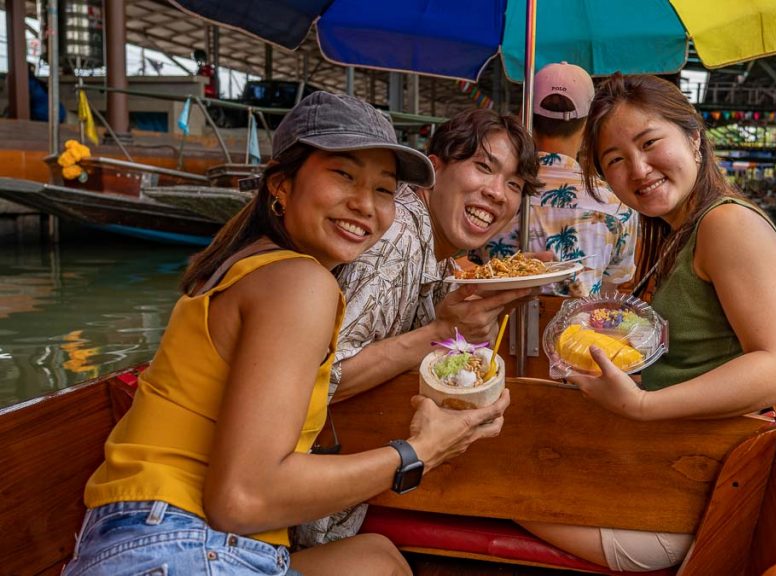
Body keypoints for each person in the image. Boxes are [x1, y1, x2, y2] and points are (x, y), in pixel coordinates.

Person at [61, 92, 510, 576]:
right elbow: (242, 497)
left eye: (384, 190)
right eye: (343, 174)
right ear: (281, 184)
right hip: (178, 546)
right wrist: (420, 451)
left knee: (376, 558)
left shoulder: (260, 267)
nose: (365, 204)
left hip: (147, 536)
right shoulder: (300, 283)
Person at [517, 74, 776, 572]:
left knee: (488, 477)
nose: (638, 169)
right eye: (615, 160)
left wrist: (643, 406)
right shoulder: (672, 232)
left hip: (675, 502)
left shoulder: (728, 225)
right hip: (658, 464)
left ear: (693, 138)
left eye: (650, 143)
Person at [329, 108, 542, 402]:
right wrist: (443, 331)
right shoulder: (397, 238)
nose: (498, 193)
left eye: (514, 184)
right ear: (434, 170)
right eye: (483, 166)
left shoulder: (440, 252)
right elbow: (321, 381)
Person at [476, 62, 637, 297]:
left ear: (524, 119)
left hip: (492, 331)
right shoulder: (619, 206)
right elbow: (609, 289)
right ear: (590, 124)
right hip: (577, 332)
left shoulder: (489, 193)